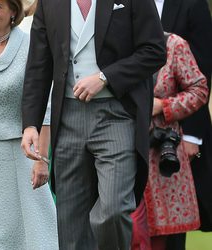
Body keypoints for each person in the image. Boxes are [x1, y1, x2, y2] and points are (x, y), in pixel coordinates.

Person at [21, 0, 167, 249]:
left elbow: (154, 51)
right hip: (67, 118)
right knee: (71, 223)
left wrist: (106, 78)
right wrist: (30, 124)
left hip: (117, 114)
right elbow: (38, 64)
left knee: (113, 210)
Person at [0, 0, 58, 249]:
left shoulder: (31, 47)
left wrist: (41, 160)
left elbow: (45, 108)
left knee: (26, 240)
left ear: (13, 11)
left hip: (19, 161)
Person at [131, 32, 208, 250]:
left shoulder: (173, 44)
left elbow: (199, 90)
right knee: (127, 229)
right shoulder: (112, 42)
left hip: (160, 156)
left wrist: (163, 107)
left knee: (159, 238)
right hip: (120, 151)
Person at [154, 0, 212, 248]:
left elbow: (203, 69)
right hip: (133, 134)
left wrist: (192, 136)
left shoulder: (192, 4)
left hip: (177, 132)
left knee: (174, 216)